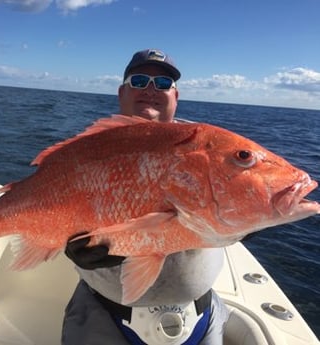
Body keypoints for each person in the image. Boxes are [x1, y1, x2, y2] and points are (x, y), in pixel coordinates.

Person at [61, 49, 229, 345]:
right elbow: (52, 206)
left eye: (163, 84)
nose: (151, 89)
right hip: (103, 315)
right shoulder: (87, 150)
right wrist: (67, 241)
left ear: (175, 97)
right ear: (121, 92)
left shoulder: (207, 147)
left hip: (200, 316)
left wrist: (252, 219)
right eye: (139, 80)